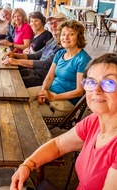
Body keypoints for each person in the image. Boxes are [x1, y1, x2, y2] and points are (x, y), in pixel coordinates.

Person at [9, 53, 117, 190]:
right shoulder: (94, 121)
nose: (96, 89)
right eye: (90, 82)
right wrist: (27, 164)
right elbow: (58, 145)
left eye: (108, 83)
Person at [27, 20, 92, 117]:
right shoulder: (60, 53)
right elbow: (49, 77)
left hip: (66, 100)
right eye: (63, 34)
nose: (65, 37)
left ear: (79, 37)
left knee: (28, 113)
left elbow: (80, 91)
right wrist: (43, 91)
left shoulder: (83, 59)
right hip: (50, 91)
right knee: (20, 98)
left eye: (71, 34)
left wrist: (53, 97)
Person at [1, 12, 67, 88]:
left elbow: (46, 64)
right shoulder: (53, 39)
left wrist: (17, 61)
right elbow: (36, 55)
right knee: (7, 75)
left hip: (41, 78)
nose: (53, 26)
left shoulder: (64, 44)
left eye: (57, 23)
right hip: (33, 72)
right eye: (51, 23)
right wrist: (15, 55)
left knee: (11, 84)